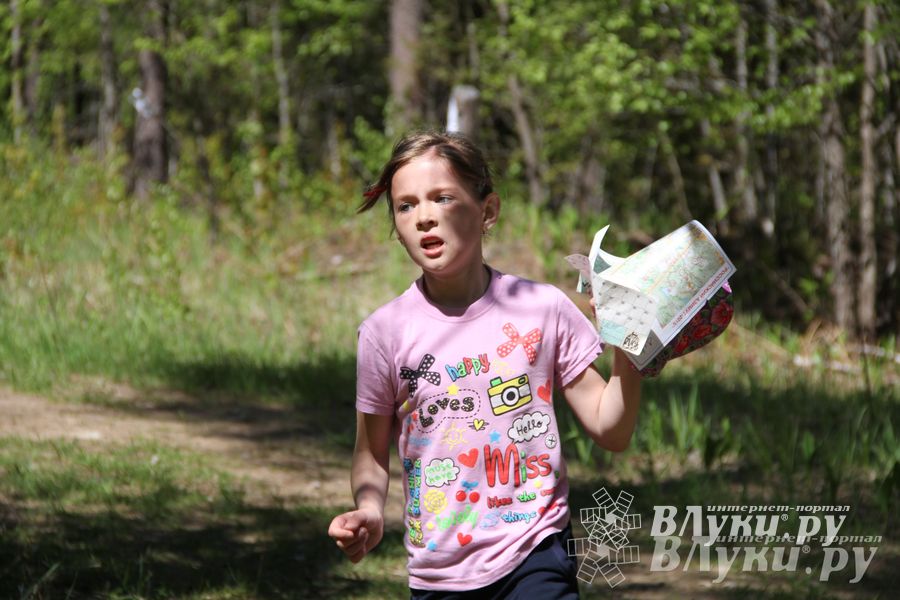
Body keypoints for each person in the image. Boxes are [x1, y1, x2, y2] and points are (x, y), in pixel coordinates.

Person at [327, 131, 642, 598]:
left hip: (536, 549)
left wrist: (627, 341)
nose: (425, 218)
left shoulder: (542, 309)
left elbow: (610, 429)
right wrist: (370, 509)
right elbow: (371, 453)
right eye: (406, 206)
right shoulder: (384, 332)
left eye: (443, 198)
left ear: (487, 211)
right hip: (439, 573)